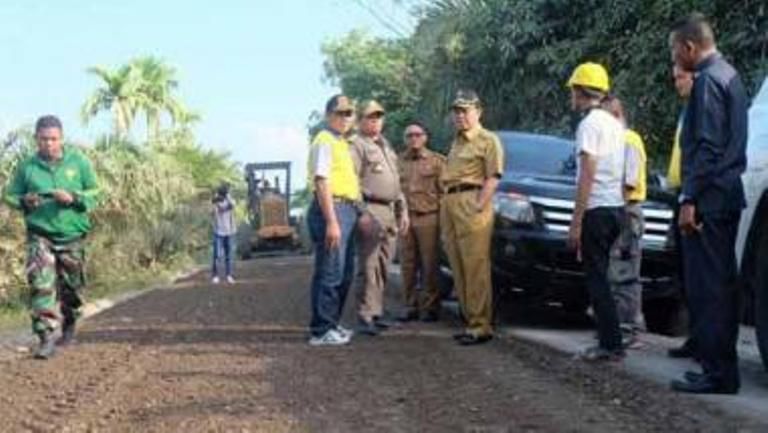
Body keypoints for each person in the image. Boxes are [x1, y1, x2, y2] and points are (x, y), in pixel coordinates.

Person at [668, 13, 748, 394]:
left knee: (710, 286)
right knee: (722, 283)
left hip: (710, 199)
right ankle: (718, 369)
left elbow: (707, 147)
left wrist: (689, 198)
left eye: (675, 51)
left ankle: (718, 373)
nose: (675, 60)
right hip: (726, 194)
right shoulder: (730, 76)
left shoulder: (707, 82)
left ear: (689, 47)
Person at [3, 115, 100, 359]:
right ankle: (45, 337)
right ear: (36, 139)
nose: (48, 144)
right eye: (44, 139)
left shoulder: (78, 162)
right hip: (40, 235)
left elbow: (96, 193)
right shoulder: (28, 167)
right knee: (41, 285)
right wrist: (25, 200)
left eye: (53, 139)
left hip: (72, 236)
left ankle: (70, 322)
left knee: (72, 289)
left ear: (61, 139)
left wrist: (74, 198)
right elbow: (10, 195)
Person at [566, 62, 627, 362]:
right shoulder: (615, 124)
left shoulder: (589, 125)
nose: (571, 97)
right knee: (603, 276)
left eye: (572, 91)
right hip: (615, 207)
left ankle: (610, 344)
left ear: (580, 91)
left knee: (597, 278)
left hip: (597, 209)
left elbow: (587, 173)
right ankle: (611, 339)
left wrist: (576, 222)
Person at [441, 90, 503, 346]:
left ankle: (480, 325)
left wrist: (478, 205)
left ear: (478, 111)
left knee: (475, 265)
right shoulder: (456, 142)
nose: (460, 116)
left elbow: (494, 176)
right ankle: (469, 321)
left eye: (465, 110)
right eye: (456, 111)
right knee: (457, 264)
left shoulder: (488, 140)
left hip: (471, 200)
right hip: (450, 201)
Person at [350, 100, 409, 336]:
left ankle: (377, 311)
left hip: (390, 210)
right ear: (360, 121)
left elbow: (396, 183)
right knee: (369, 264)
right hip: (371, 208)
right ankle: (365, 314)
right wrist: (361, 211)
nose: (375, 121)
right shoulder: (357, 145)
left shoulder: (386, 146)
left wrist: (403, 210)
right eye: (370, 117)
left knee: (384, 263)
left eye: (379, 117)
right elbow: (352, 181)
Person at [306, 94, 361, 346]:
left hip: (347, 209)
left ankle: (332, 322)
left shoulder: (341, 142)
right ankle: (321, 329)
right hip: (332, 208)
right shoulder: (324, 141)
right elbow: (322, 181)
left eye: (349, 113)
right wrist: (331, 221)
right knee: (330, 271)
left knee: (344, 272)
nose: (346, 118)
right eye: (340, 113)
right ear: (329, 115)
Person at [602, 96, 648, 349]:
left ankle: (629, 328)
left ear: (616, 116)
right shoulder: (617, 140)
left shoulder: (628, 140)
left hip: (626, 211)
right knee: (615, 270)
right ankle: (617, 326)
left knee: (625, 272)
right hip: (619, 209)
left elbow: (628, 181)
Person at [398, 121, 446, 322]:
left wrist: (443, 221)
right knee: (407, 264)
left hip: (429, 217)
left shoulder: (438, 161)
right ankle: (410, 306)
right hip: (405, 219)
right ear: (404, 139)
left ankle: (430, 307)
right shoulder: (397, 161)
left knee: (430, 264)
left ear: (425, 137)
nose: (414, 138)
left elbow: (444, 193)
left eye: (418, 134)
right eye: (409, 135)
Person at [666, 64, 698, 360]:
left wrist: (690, 196)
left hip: (693, 197)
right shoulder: (686, 111)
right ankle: (694, 337)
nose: (677, 83)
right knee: (684, 272)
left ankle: (704, 342)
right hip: (680, 193)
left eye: (681, 78)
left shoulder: (701, 110)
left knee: (698, 273)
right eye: (675, 78)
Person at [211, 182, 236, 285]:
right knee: (217, 255)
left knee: (228, 255)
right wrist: (217, 198)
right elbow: (213, 210)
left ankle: (229, 275)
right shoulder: (215, 202)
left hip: (229, 231)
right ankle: (215, 275)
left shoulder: (230, 201)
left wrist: (227, 196)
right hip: (218, 232)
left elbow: (232, 205)